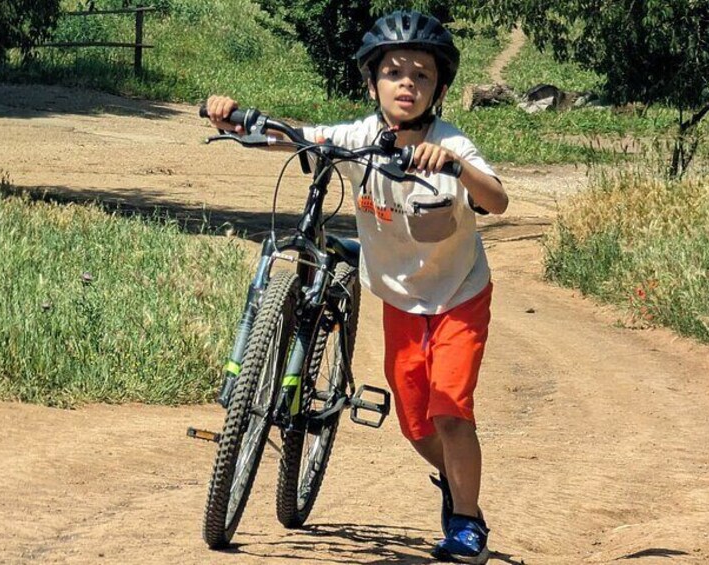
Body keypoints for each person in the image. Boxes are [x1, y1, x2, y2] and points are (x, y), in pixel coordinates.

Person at [205, 10, 507, 564]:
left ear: (439, 87)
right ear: (373, 83)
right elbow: (292, 137)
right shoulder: (359, 137)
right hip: (398, 299)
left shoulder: (450, 143)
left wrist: (458, 169)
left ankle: (467, 522)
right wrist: (234, 119)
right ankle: (455, 477)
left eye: (421, 74)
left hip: (458, 296)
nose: (407, 84)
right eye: (394, 72)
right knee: (416, 427)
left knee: (450, 410)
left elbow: (498, 199)